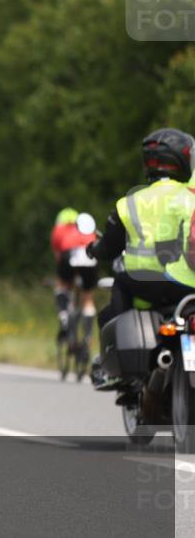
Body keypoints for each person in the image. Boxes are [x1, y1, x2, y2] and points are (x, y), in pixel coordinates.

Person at [87, 128, 195, 388]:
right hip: (189, 285)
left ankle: (120, 367)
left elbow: (109, 248)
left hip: (147, 286)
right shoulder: (190, 198)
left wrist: (93, 250)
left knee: (120, 284)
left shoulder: (131, 202)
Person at [49, 207, 98, 346]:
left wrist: (65, 279)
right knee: (87, 297)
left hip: (69, 253)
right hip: (90, 256)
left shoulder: (58, 230)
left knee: (62, 285)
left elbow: (58, 258)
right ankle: (88, 336)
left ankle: (64, 316)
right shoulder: (87, 229)